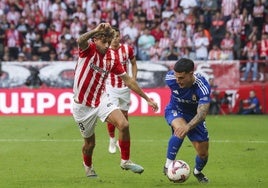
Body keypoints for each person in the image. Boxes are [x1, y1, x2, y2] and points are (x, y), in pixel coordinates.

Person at [72, 23, 159, 178]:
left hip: (101, 99)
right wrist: (96, 30)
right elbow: (80, 40)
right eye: (103, 42)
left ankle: (125, 161)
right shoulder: (88, 51)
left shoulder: (112, 59)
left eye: (108, 42)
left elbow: (129, 80)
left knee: (124, 124)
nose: (106, 46)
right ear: (95, 40)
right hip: (82, 106)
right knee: (90, 144)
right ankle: (88, 167)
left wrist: (147, 99)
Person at [163, 58, 210, 183]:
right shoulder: (170, 79)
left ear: (191, 73)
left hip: (194, 116)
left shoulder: (202, 86)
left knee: (203, 154)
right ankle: (168, 165)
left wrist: (188, 126)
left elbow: (202, 113)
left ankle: (197, 172)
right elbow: (175, 80)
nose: (178, 81)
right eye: (176, 77)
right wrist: (184, 127)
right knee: (180, 129)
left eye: (181, 78)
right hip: (175, 110)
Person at [105, 27, 138, 154]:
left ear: (120, 37)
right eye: (112, 37)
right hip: (110, 87)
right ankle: (112, 139)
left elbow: (134, 63)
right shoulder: (105, 50)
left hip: (125, 87)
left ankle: (121, 140)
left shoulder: (127, 49)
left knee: (124, 116)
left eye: (117, 36)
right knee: (112, 115)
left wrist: (133, 78)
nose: (115, 39)